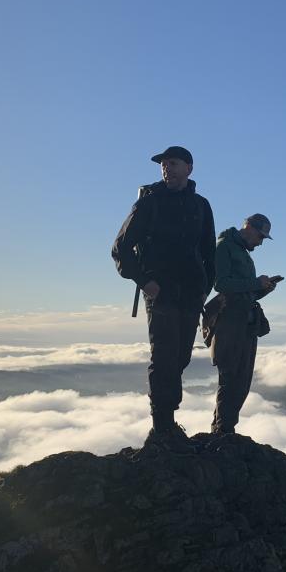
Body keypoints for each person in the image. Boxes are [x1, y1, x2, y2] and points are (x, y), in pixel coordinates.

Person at [111, 146, 216, 445]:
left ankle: (169, 419)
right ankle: (162, 425)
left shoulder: (201, 206)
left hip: (191, 293)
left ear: (189, 168)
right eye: (163, 165)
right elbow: (120, 249)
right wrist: (145, 282)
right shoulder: (149, 203)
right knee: (164, 356)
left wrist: (204, 289)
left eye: (173, 163)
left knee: (181, 356)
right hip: (161, 292)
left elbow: (209, 251)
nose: (166, 169)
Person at [206, 214, 278, 434]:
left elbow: (244, 293)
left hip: (244, 324)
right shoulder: (225, 246)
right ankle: (222, 431)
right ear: (248, 227)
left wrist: (262, 289)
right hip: (229, 323)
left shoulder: (242, 252)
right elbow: (221, 283)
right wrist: (256, 283)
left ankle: (225, 429)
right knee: (231, 378)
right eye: (260, 236)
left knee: (242, 380)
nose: (260, 241)